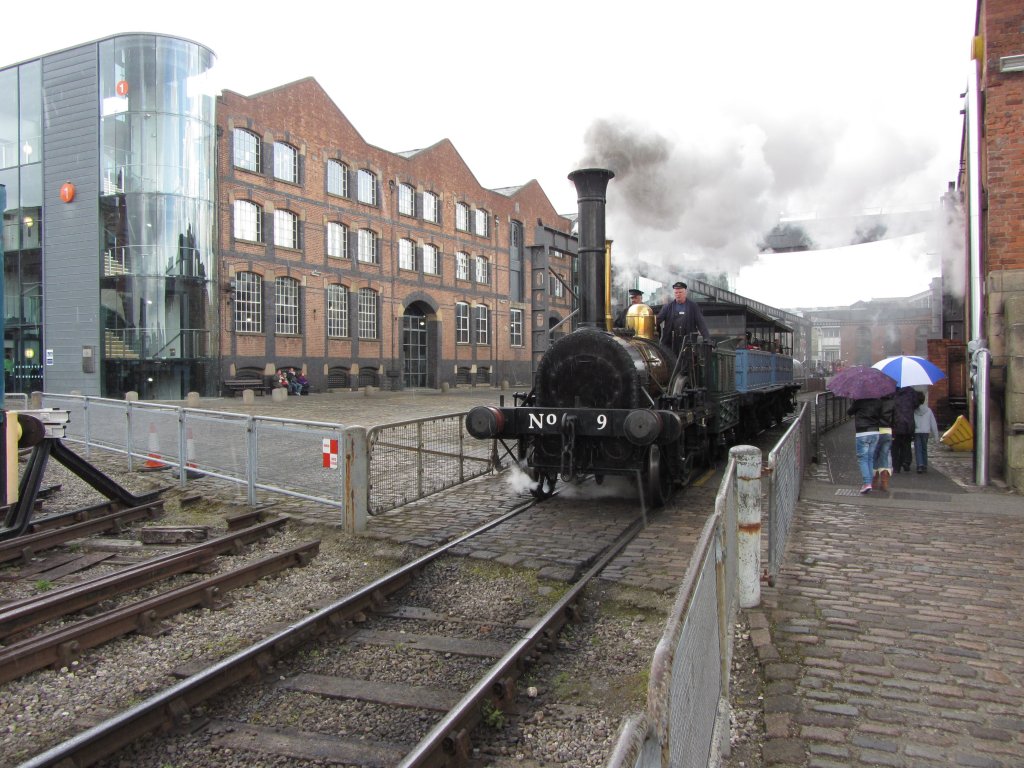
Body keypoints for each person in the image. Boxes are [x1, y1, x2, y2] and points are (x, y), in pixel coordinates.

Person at [656, 281, 710, 353]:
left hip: (688, 343)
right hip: (670, 343)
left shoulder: (693, 306)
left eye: (680, 292)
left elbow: (701, 323)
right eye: (676, 293)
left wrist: (706, 338)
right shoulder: (667, 307)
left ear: (685, 293)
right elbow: (657, 321)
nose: (678, 295)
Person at [848, 397, 883, 494]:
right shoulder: (878, 401)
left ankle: (867, 484)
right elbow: (880, 415)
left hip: (862, 432)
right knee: (870, 458)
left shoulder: (859, 401)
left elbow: (849, 412)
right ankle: (869, 483)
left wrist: (854, 402)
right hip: (875, 432)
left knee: (862, 459)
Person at [891, 386, 918, 473]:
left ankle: (896, 466)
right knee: (906, 444)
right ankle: (905, 461)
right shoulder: (911, 391)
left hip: (896, 423)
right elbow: (916, 404)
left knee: (895, 446)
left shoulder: (893, 392)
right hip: (908, 423)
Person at [913, 393, 940, 473]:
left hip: (916, 431)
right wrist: (936, 436)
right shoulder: (928, 410)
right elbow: (933, 423)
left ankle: (919, 465)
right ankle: (925, 465)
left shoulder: (913, 410)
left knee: (918, 448)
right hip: (926, 431)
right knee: (924, 448)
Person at [873, 394, 894, 490]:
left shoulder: (875, 402)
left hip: (876, 431)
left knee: (874, 456)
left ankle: (874, 482)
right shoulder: (892, 402)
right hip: (887, 431)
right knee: (885, 457)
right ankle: (884, 483)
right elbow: (895, 418)